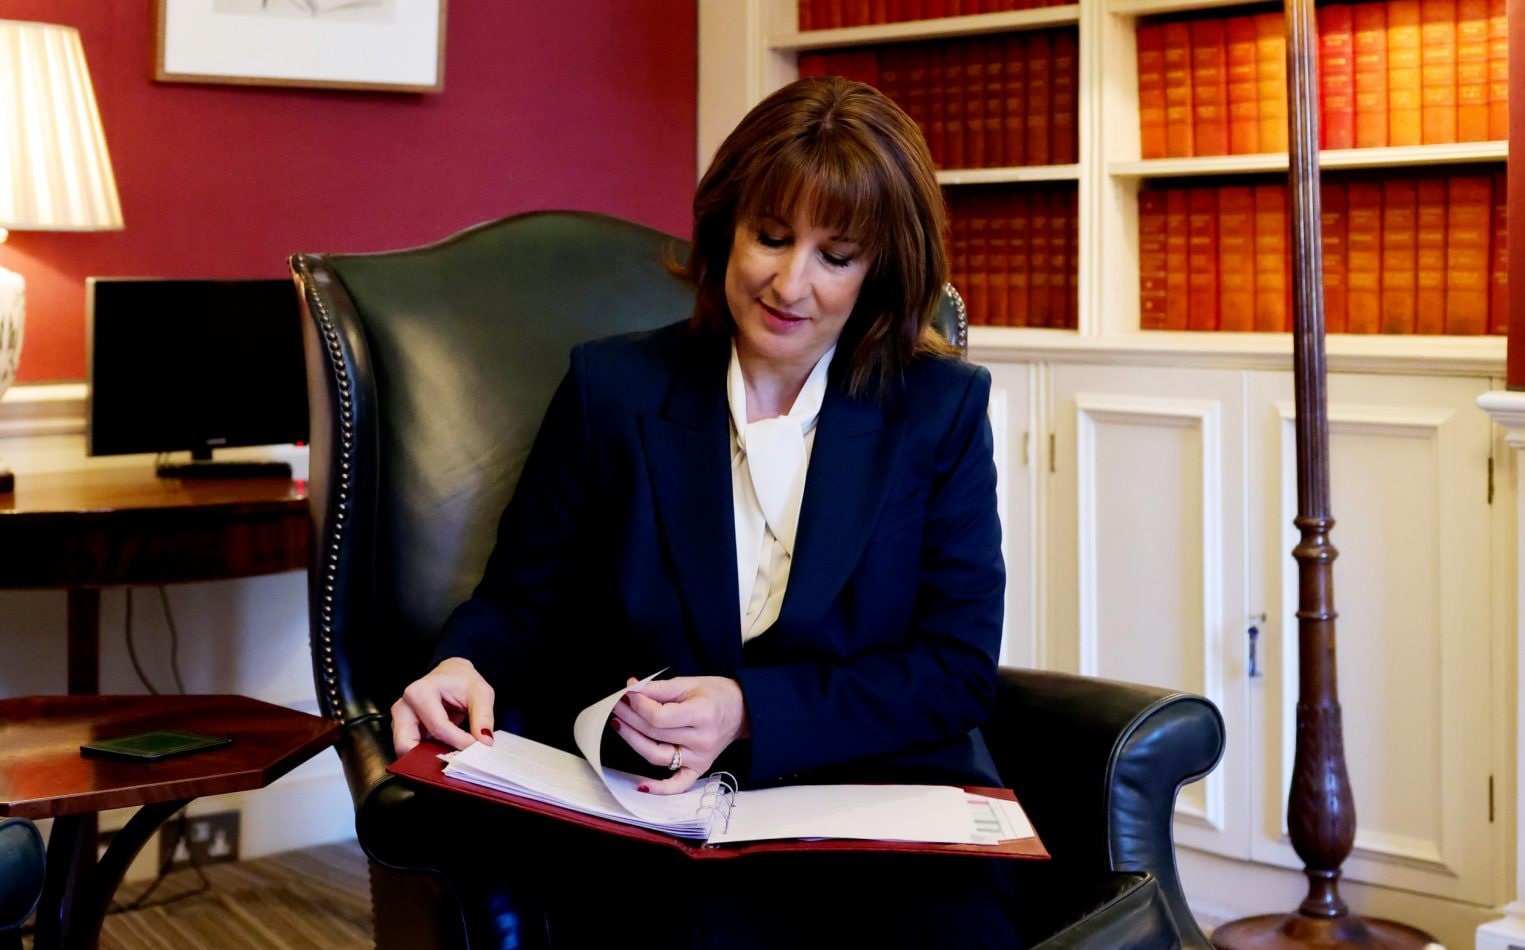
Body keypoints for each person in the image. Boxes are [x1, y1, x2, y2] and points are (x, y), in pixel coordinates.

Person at [391, 75, 1019, 948]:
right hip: (660, 809)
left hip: (869, 802)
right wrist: (461, 661)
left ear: (878, 270)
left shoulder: (938, 408)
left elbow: (955, 668)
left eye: (835, 256)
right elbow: (521, 602)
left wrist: (749, 709)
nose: (789, 283)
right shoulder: (610, 389)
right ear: (726, 225)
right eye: (769, 236)